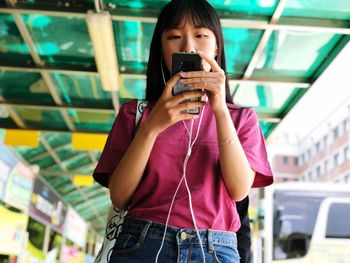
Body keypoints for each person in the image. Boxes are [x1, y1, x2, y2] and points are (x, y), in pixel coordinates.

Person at [93, 0, 273, 262]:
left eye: (201, 35)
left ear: (216, 47)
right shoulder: (135, 114)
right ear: (161, 50)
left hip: (215, 248)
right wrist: (151, 127)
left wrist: (220, 109)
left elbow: (238, 190)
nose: (188, 46)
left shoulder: (241, 119)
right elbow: (120, 196)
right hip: (142, 243)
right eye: (174, 37)